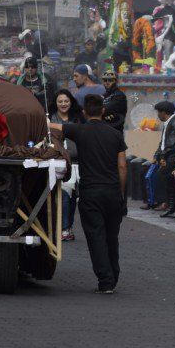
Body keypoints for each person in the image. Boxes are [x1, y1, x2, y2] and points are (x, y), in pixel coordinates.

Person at [50, 94, 127, 294]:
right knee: (112, 236)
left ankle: (106, 280)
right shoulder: (116, 134)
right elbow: (122, 166)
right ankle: (114, 275)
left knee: (96, 236)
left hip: (90, 191)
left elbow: (54, 127)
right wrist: (121, 193)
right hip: (112, 191)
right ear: (103, 111)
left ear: (84, 112)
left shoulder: (80, 130)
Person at [49, 89, 85, 242]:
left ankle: (68, 226)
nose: (63, 104)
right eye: (60, 101)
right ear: (55, 103)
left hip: (79, 163)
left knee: (72, 199)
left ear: (71, 102)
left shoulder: (78, 119)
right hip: (60, 163)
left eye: (66, 101)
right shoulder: (50, 118)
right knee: (63, 196)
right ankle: (63, 228)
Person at [141, 101, 175, 212]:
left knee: (160, 175)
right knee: (145, 171)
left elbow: (171, 145)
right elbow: (162, 143)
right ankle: (151, 201)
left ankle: (164, 202)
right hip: (164, 156)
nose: (157, 115)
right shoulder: (168, 122)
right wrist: (156, 156)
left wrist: (161, 158)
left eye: (158, 112)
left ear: (163, 112)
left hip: (171, 158)